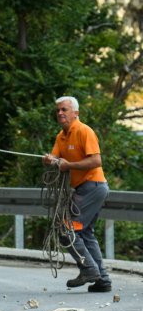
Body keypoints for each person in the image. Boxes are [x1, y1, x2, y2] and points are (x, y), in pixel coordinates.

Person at [42, 96, 111, 292]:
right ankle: (102, 280)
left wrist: (69, 165)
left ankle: (89, 269)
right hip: (86, 188)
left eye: (64, 109)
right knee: (85, 233)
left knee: (65, 229)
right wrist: (50, 159)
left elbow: (96, 161)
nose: (60, 113)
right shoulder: (61, 136)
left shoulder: (84, 131)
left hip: (93, 186)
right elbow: (56, 156)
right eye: (58, 110)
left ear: (76, 113)